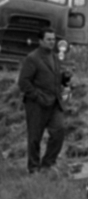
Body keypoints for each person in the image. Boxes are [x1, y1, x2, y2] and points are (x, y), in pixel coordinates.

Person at [17, 29, 71, 173]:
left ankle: (48, 164)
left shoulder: (55, 58)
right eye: (48, 39)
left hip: (54, 102)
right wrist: (36, 96)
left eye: (53, 39)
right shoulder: (32, 58)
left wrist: (65, 78)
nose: (52, 42)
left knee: (59, 131)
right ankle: (34, 168)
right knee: (35, 137)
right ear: (40, 41)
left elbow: (57, 80)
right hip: (36, 104)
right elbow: (23, 82)